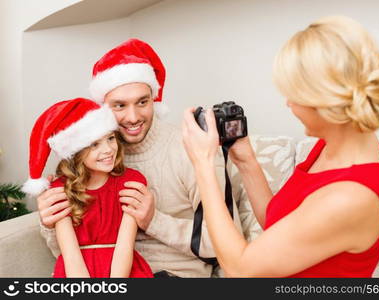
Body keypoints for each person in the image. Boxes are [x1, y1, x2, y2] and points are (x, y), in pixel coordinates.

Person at [182, 15, 379, 277]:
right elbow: (280, 226)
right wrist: (246, 160)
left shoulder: (351, 197)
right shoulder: (331, 148)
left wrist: (202, 164)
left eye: (293, 95)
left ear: (323, 100)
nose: (288, 104)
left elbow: (241, 269)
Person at [35, 39, 259, 277]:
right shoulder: (91, 159)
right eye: (119, 105)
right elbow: (71, 252)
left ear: (154, 99)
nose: (133, 117)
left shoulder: (192, 149)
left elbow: (229, 246)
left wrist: (154, 220)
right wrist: (51, 223)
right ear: (102, 109)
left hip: (171, 274)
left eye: (143, 102)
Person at [22, 98, 153, 278]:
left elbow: (125, 245)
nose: (108, 150)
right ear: (76, 152)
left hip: (123, 269)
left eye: (110, 138)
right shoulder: (60, 189)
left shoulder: (131, 181)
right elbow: (69, 253)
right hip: (76, 271)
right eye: (94, 144)